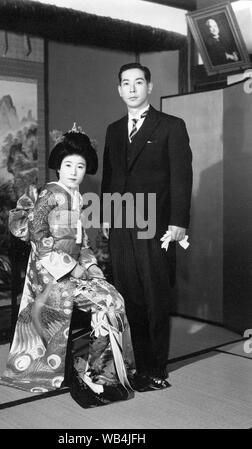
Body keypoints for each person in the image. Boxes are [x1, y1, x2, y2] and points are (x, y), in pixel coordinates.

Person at [0, 126, 135, 408]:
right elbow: (39, 238)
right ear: (58, 166)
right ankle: (93, 374)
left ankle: (101, 373)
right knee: (106, 303)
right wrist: (72, 271)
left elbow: (81, 244)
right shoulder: (51, 194)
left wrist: (93, 272)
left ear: (87, 169)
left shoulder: (78, 196)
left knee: (113, 299)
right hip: (51, 275)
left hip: (75, 270)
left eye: (80, 166)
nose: (73, 171)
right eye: (68, 164)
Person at [100, 62, 192, 392]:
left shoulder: (170, 126)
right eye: (126, 83)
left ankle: (155, 369)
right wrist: (107, 216)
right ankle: (140, 364)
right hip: (123, 221)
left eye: (139, 82)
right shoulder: (113, 129)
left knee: (155, 294)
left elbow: (182, 177)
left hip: (156, 225)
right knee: (131, 296)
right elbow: (110, 178)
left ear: (149, 87)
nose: (133, 88)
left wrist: (179, 222)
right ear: (120, 90)